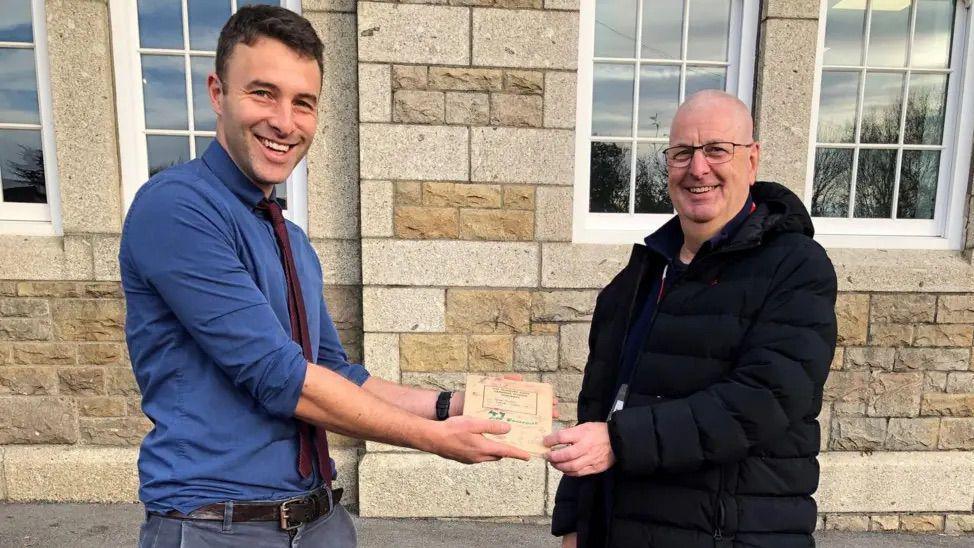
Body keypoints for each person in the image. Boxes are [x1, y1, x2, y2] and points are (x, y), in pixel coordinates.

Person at [120, 6, 529, 547]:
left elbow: (337, 374)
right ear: (217, 93)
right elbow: (280, 377)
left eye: (303, 103)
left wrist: (456, 404)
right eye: (263, 93)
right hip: (218, 527)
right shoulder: (177, 208)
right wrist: (434, 438)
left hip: (319, 522)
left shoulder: (291, 239)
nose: (285, 122)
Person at [545, 90, 837, 548]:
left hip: (732, 534)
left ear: (752, 159)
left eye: (717, 149)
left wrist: (620, 441)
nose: (698, 168)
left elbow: (764, 400)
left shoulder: (796, 267)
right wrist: (574, 525)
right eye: (682, 153)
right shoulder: (639, 276)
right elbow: (597, 409)